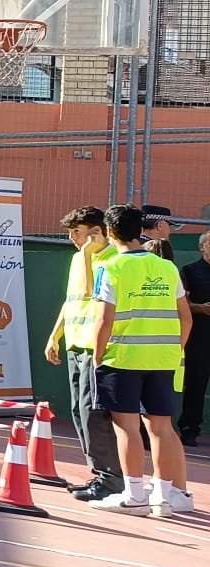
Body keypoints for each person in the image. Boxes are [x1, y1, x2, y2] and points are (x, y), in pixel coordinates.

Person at [88, 205, 193, 517]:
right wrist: (174, 349)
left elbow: (104, 320)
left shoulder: (110, 268)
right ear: (140, 231)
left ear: (110, 232)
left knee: (127, 428)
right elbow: (185, 318)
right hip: (162, 358)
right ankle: (163, 496)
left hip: (123, 358)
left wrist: (98, 356)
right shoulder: (167, 268)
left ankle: (134, 495)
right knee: (160, 427)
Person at [44, 206, 126, 502]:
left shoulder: (113, 259)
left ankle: (112, 478)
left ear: (97, 233)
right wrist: (56, 336)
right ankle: (99, 473)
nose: (72, 239)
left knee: (95, 414)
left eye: (76, 233)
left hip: (97, 347)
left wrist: (91, 255)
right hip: (76, 345)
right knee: (80, 411)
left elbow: (94, 294)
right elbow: (72, 300)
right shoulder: (79, 259)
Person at [180, 230, 210, 449]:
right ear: (202, 246)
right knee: (195, 385)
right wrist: (201, 308)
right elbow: (181, 305)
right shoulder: (190, 271)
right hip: (199, 338)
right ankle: (190, 429)